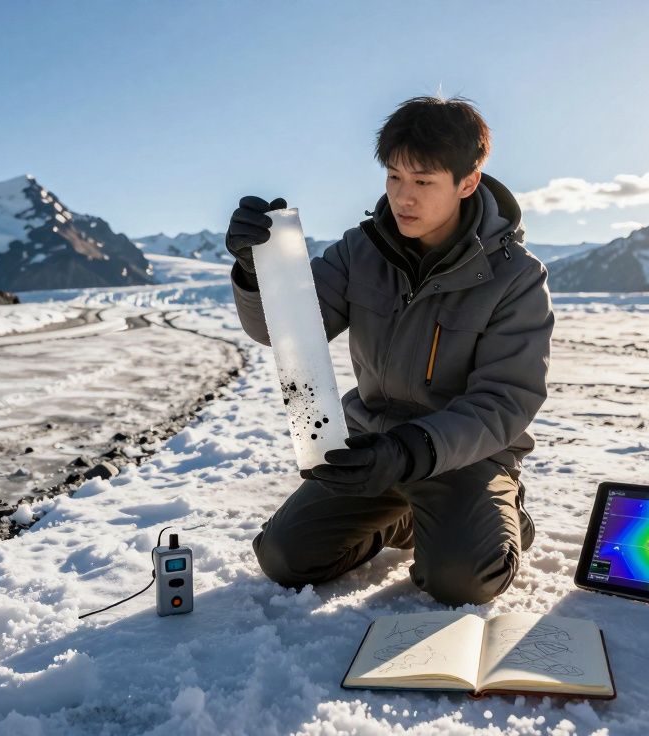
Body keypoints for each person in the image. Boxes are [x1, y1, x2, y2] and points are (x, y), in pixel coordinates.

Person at [226, 95, 555, 606]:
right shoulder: (361, 250)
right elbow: (286, 332)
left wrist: (410, 452)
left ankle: (502, 515)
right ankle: (406, 517)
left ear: (467, 183)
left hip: (464, 456)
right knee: (285, 559)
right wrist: (255, 271)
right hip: (371, 450)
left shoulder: (517, 277)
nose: (404, 197)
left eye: (423, 182)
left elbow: (505, 402)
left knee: (461, 581)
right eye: (394, 177)